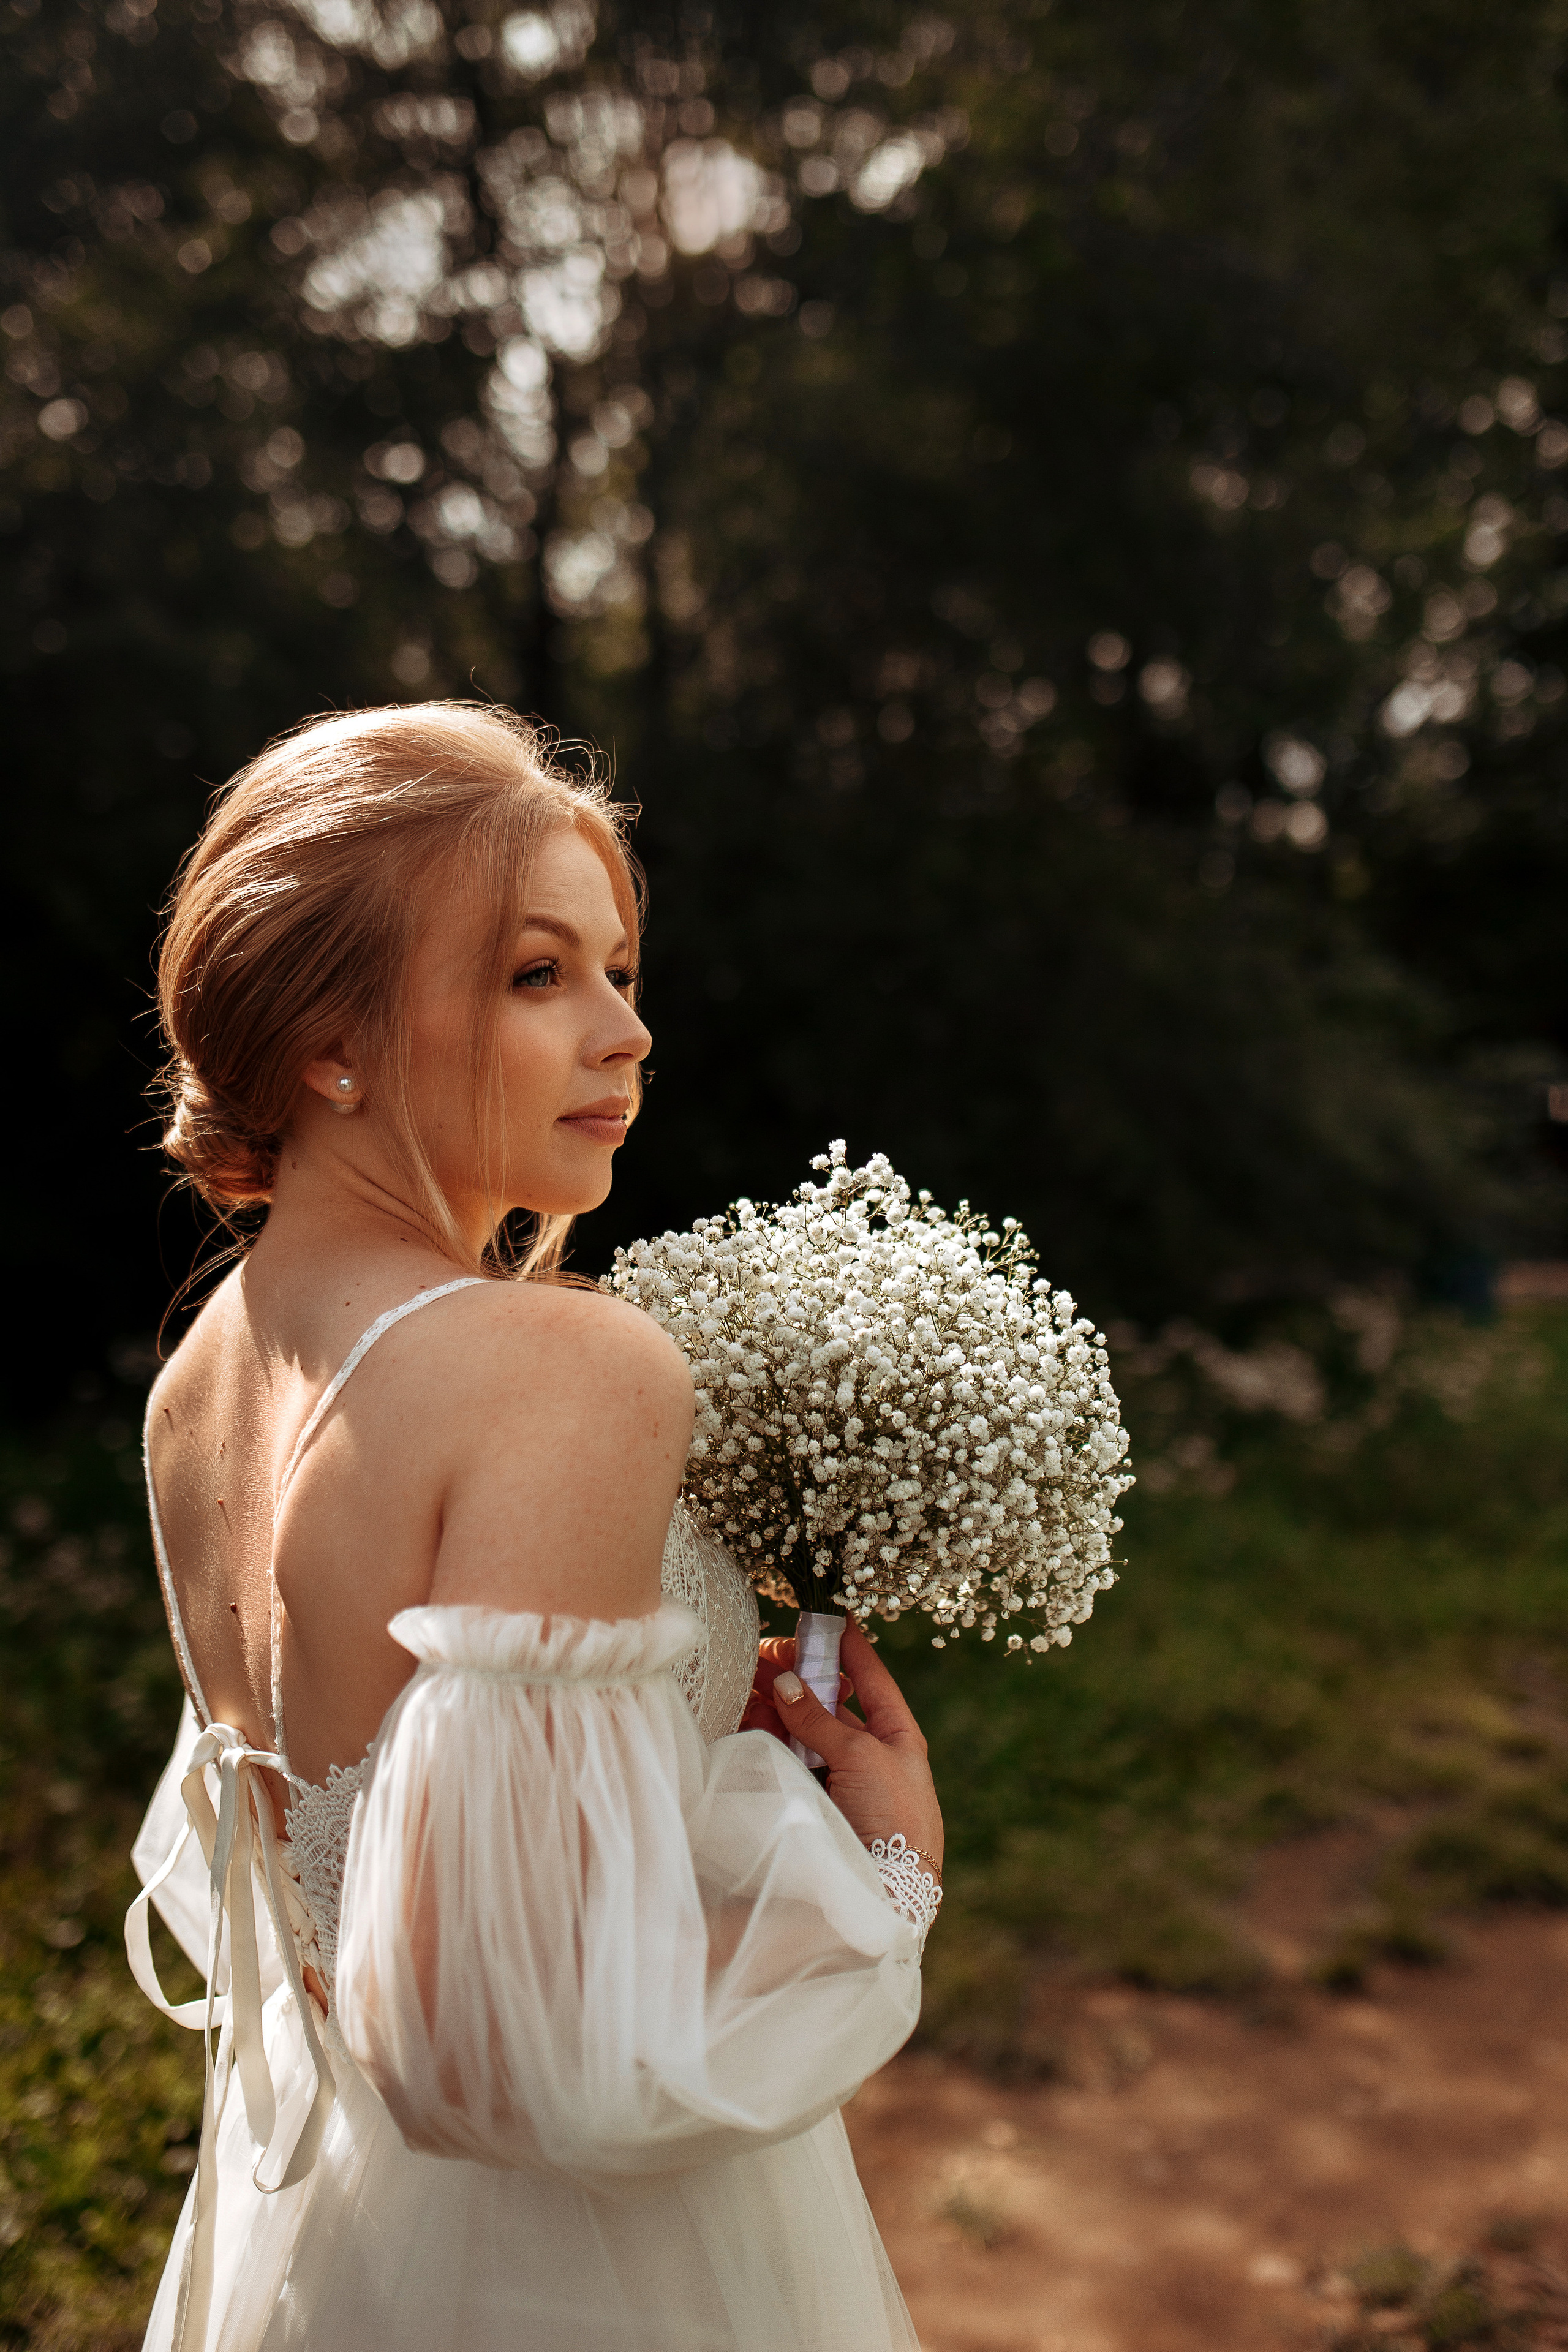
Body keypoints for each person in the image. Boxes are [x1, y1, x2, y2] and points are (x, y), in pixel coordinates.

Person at [124, 703, 946, 2352]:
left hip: (331, 2245)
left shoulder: (200, 1377)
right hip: (585, 2280)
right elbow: (545, 2049)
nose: (628, 1032)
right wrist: (879, 1863)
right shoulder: (559, 1372)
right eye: (535, 974)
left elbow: (380, 1915)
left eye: (621, 969)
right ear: (328, 1044)